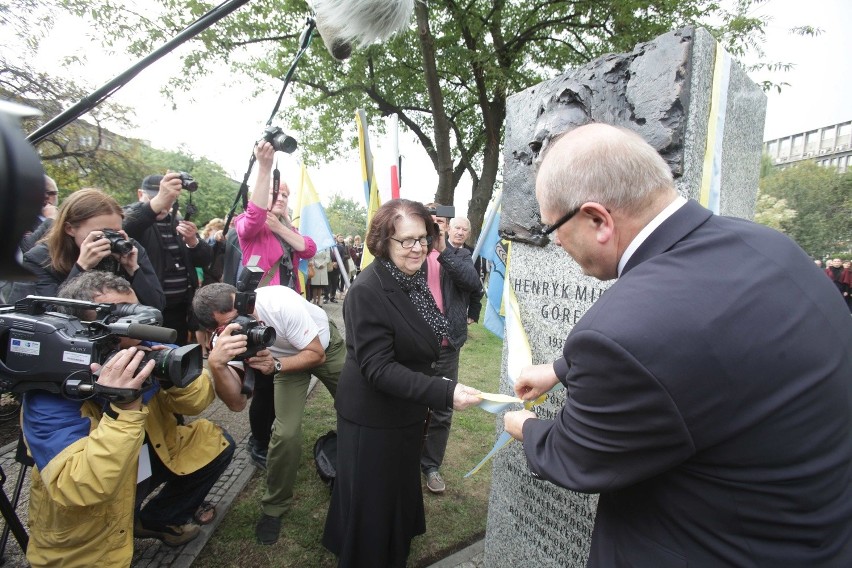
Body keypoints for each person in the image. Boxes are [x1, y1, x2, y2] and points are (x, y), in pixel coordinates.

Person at [503, 123, 852, 566]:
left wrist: (523, 427)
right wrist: (559, 369)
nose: (553, 239)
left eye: (552, 225)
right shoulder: (771, 246)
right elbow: (702, 350)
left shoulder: (620, 331)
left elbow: (575, 456)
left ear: (597, 219)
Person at [23, 271, 234, 567]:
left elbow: (199, 399)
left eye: (136, 311)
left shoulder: (144, 348)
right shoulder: (48, 395)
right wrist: (123, 407)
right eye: (122, 318)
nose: (140, 328)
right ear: (82, 328)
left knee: (215, 442)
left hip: (145, 460)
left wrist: (169, 376)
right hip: (88, 527)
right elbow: (80, 485)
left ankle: (158, 519)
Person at [322, 199, 482, 567]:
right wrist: (444, 390)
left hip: (404, 412)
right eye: (405, 240)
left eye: (423, 238)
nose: (417, 248)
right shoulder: (368, 290)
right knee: (372, 503)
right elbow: (377, 368)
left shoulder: (412, 277)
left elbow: (423, 342)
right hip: (373, 417)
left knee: (394, 493)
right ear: (383, 242)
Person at [193, 282, 344, 546]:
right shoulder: (225, 340)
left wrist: (275, 364)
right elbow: (237, 403)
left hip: (323, 348)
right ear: (215, 330)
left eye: (244, 306)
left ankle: (364, 470)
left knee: (355, 408)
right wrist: (216, 364)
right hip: (285, 364)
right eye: (234, 319)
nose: (248, 316)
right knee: (284, 434)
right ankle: (274, 507)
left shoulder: (279, 302)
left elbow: (316, 354)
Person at [233, 140, 317, 469]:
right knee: (266, 383)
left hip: (289, 315)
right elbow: (254, 218)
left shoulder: (287, 231)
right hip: (259, 316)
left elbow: (308, 248)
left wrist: (280, 223)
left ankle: (277, 430)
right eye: (275, 193)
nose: (281, 198)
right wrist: (264, 168)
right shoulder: (248, 226)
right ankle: (258, 441)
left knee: (283, 377)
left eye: (285, 195)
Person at [416, 205, 483, 494]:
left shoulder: (459, 255)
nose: (436, 227)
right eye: (432, 222)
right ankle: (406, 456)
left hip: (447, 346)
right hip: (416, 344)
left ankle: (431, 465)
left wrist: (443, 249)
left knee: (442, 407)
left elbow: (472, 283)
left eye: (441, 223)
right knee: (411, 402)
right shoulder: (412, 253)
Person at [14, 188, 164, 310]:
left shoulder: (128, 248)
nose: (109, 240)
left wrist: (134, 270)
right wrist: (81, 268)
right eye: (101, 233)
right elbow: (50, 316)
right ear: (70, 229)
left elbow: (156, 306)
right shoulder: (40, 258)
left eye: (115, 232)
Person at [123, 173, 212, 345]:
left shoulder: (177, 223)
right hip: (145, 309)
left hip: (179, 310)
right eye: (157, 197)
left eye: (169, 200)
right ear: (140, 194)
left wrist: (193, 242)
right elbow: (126, 226)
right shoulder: (134, 217)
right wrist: (154, 205)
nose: (164, 205)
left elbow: (205, 260)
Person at [447, 216, 485, 323]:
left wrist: (473, 311)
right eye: (457, 228)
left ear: (469, 234)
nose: (460, 232)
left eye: (464, 230)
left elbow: (477, 285)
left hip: (460, 311)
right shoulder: (437, 250)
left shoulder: (474, 254)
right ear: (448, 229)